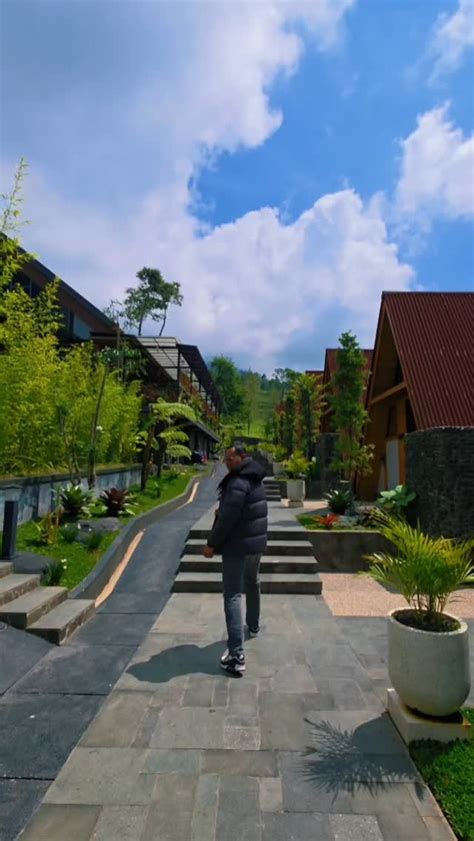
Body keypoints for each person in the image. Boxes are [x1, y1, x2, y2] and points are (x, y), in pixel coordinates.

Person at [202, 446, 268, 676]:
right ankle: (254, 625)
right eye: (225, 459)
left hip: (238, 546)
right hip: (255, 544)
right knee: (252, 581)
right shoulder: (255, 477)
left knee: (232, 594)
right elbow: (246, 510)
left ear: (242, 457)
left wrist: (211, 543)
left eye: (231, 458)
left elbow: (229, 517)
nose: (227, 462)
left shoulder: (238, 481)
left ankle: (236, 656)